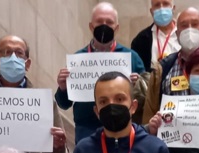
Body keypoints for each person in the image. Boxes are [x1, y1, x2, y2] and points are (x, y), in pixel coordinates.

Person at [55, 2, 146, 143]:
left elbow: (145, 100)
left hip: (123, 131)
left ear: (116, 28)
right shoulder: (78, 59)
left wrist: (138, 85)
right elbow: (64, 104)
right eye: (99, 21)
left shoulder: (131, 58)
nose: (104, 25)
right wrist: (62, 88)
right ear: (91, 26)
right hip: (86, 132)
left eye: (109, 22)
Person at [130, 0, 180, 71]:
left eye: (166, 4)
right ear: (151, 11)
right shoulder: (140, 40)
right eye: (157, 5)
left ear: (173, 8)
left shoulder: (182, 35)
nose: (161, 8)